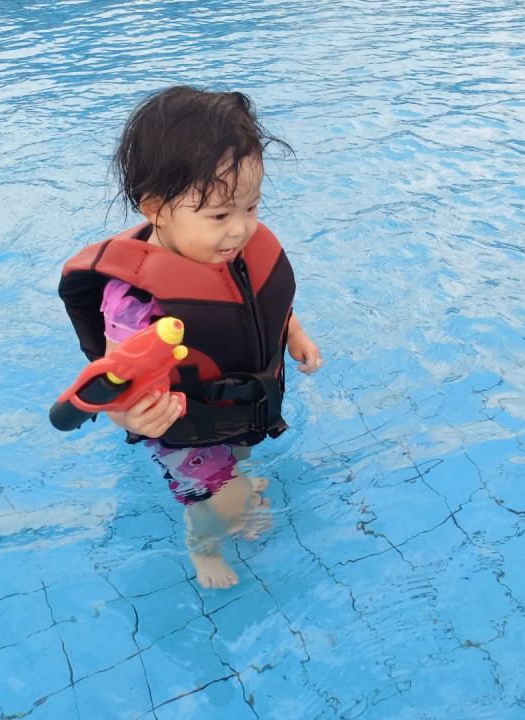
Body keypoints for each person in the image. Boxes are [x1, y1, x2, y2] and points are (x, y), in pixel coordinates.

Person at [57, 86, 322, 589]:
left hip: (236, 409)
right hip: (182, 427)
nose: (241, 229)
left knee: (238, 465)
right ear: (156, 209)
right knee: (219, 503)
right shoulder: (136, 301)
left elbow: (259, 304)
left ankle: (229, 491)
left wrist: (294, 333)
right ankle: (204, 546)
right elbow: (117, 379)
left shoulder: (230, 251)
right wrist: (130, 417)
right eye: (220, 215)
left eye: (252, 207)